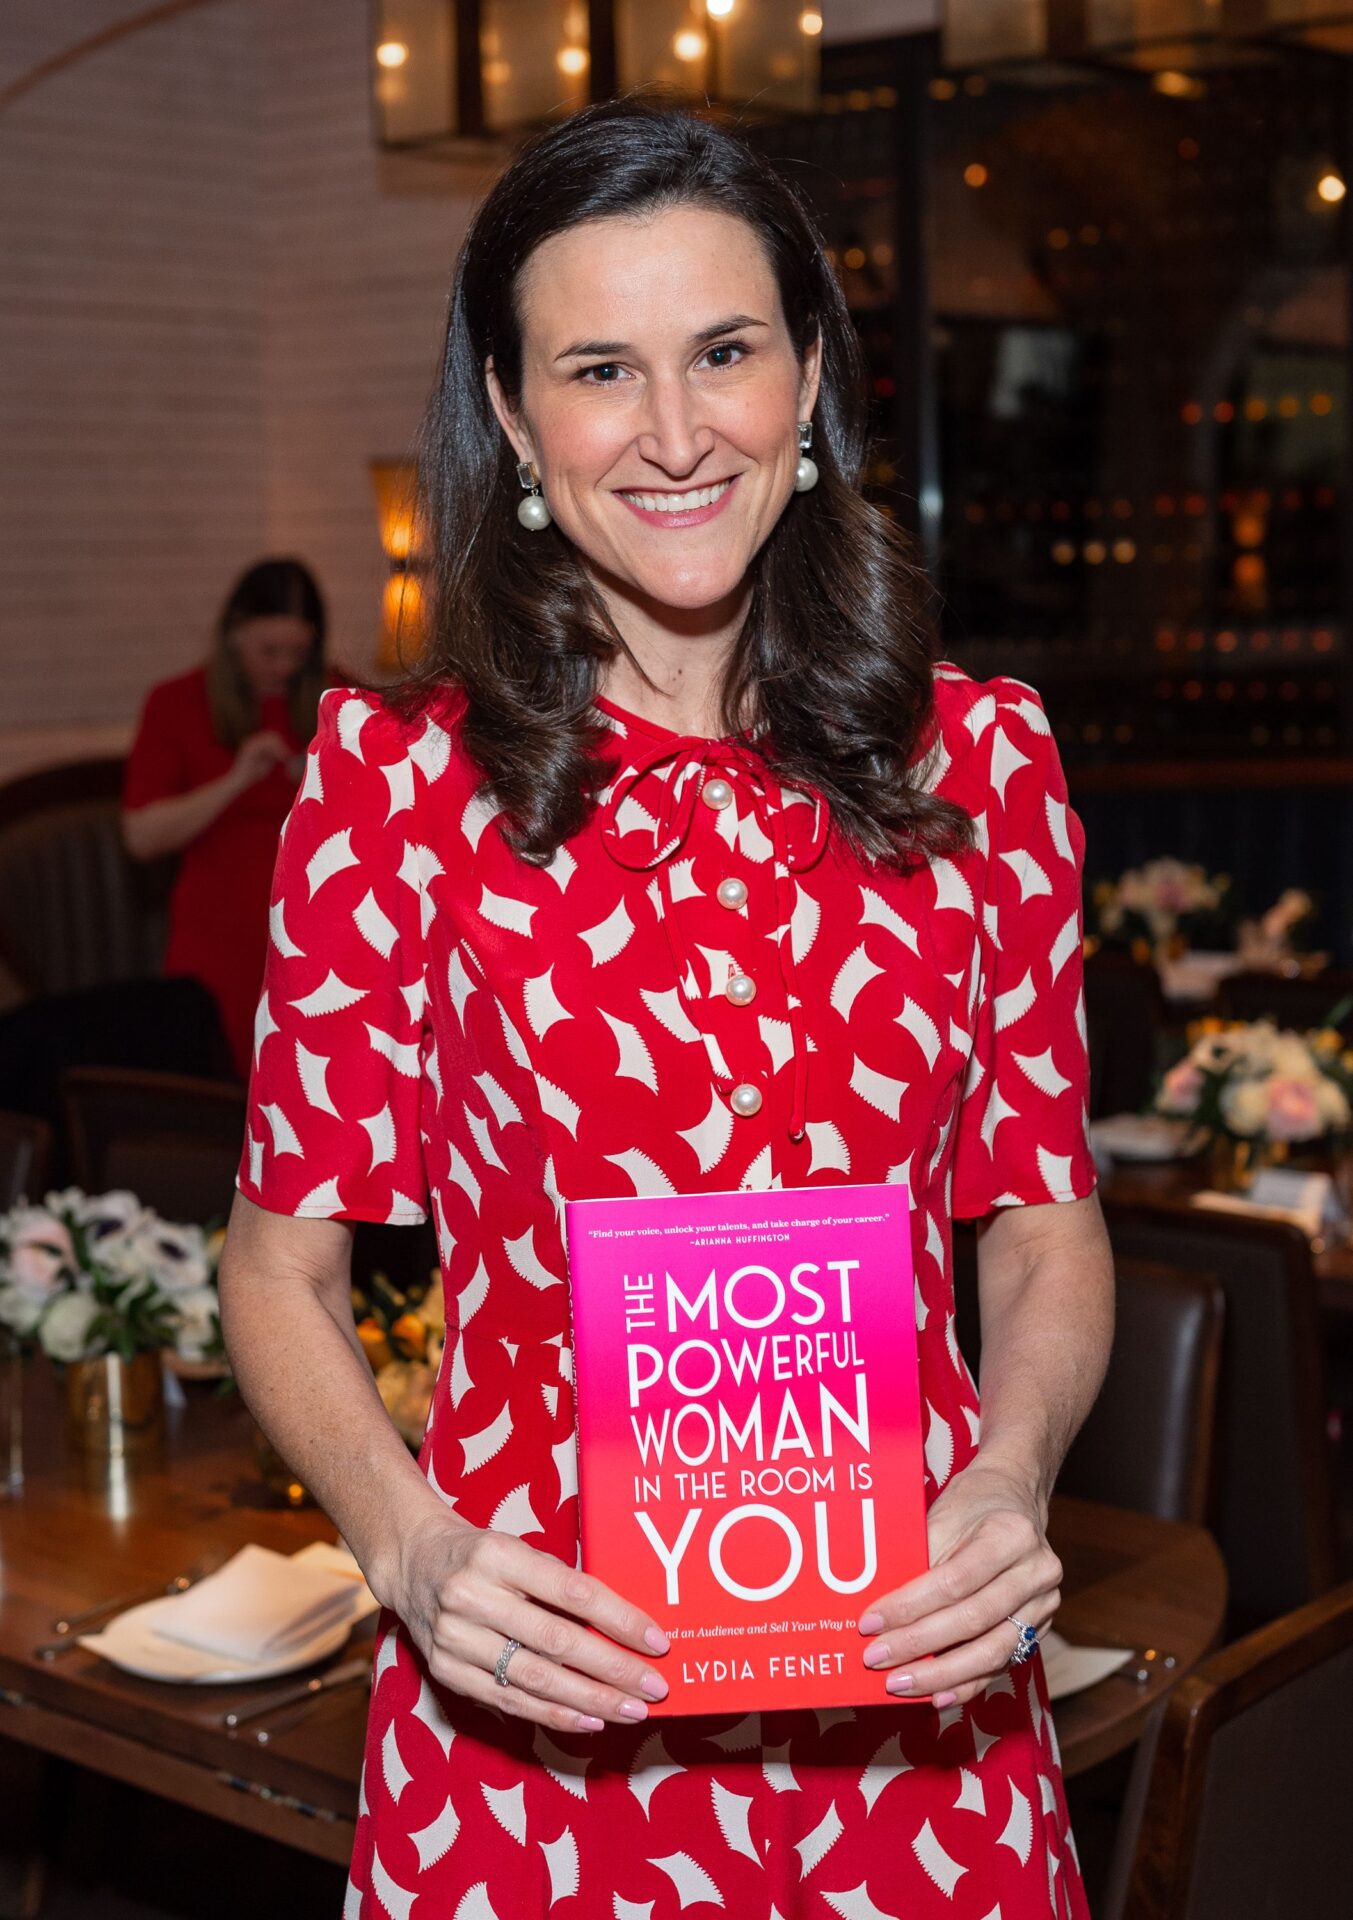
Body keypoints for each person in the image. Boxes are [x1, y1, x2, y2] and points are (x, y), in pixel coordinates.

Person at [220, 98, 1115, 1919]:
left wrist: (1015, 1477)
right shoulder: (396, 787)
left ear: (809, 376)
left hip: (916, 1708)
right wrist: (409, 1549)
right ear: (507, 411)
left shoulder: (980, 765)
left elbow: (1041, 1224)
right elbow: (276, 1267)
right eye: (599, 370)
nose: (677, 431)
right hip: (535, 1705)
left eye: (723, 352)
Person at [121, 558, 331, 1079]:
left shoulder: (336, 701)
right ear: (235, 634)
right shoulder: (177, 703)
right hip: (219, 937)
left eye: (297, 653)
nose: (282, 667)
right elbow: (142, 836)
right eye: (268, 651)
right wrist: (237, 780)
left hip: (316, 933)